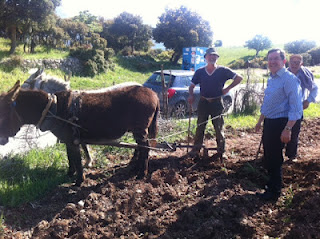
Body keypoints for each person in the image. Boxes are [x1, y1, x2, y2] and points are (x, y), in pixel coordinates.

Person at [255, 49, 303, 201]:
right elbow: (268, 103)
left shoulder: (289, 79)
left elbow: (296, 107)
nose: (272, 62)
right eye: (270, 59)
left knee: (275, 157)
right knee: (269, 155)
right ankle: (271, 184)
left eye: (276, 58)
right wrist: (260, 120)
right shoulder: (273, 78)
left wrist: (288, 129)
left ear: (284, 61)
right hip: (270, 121)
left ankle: (274, 192)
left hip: (281, 123)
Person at [188, 48, 243, 159]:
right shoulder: (200, 72)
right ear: (205, 58)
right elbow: (191, 86)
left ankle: (221, 151)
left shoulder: (223, 70)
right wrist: (191, 95)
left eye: (214, 56)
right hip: (203, 102)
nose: (212, 57)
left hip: (216, 103)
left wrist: (228, 88)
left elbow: (239, 78)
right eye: (210, 55)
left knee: (218, 127)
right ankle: (196, 150)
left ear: (217, 58)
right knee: (200, 126)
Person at [285, 54, 318, 161]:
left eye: (297, 62)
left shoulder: (305, 75)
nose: (294, 64)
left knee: (294, 133)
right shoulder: (284, 74)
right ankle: (278, 155)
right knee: (281, 131)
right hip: (283, 109)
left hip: (297, 109)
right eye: (292, 62)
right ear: (288, 63)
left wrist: (308, 100)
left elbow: (314, 88)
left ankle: (291, 155)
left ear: (301, 64)